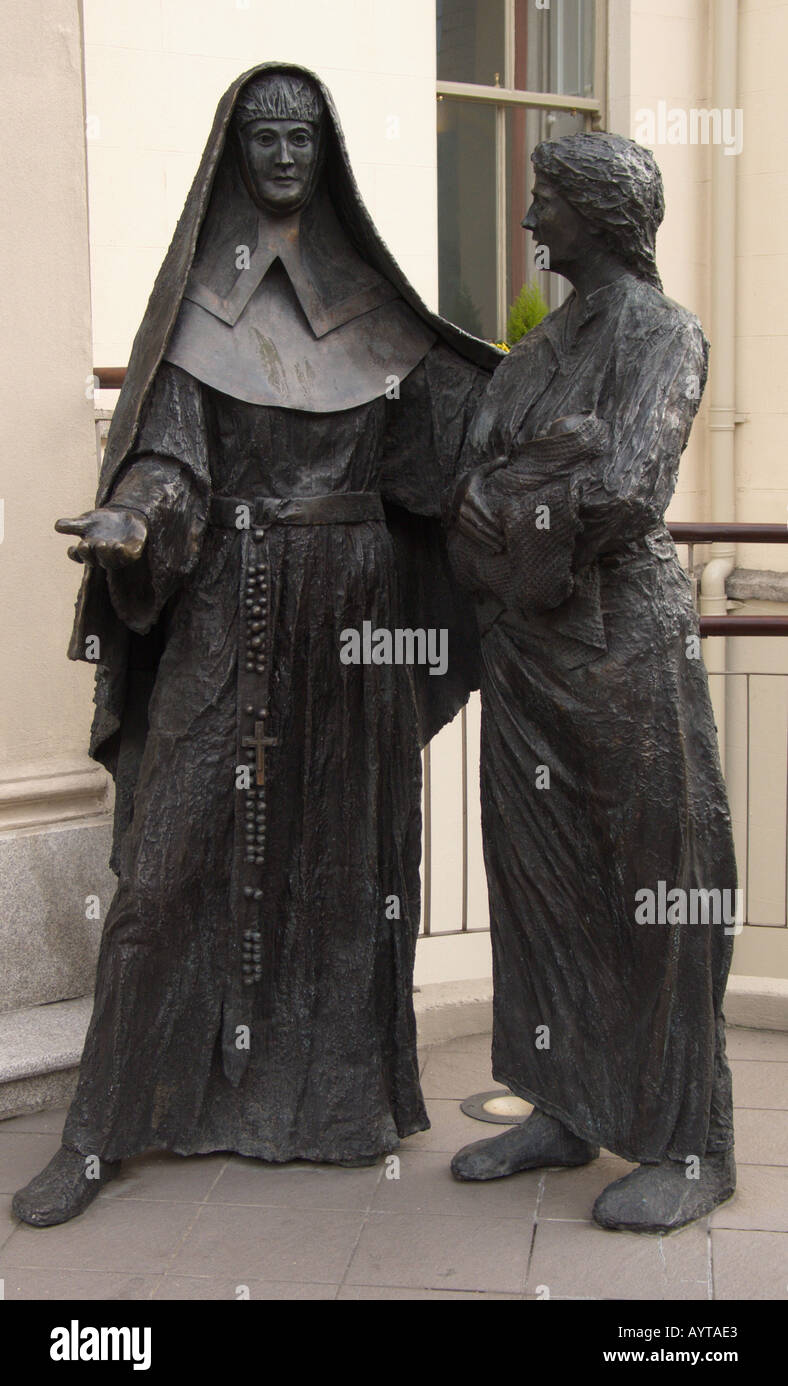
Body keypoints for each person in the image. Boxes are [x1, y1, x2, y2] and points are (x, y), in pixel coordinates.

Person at [13, 63, 498, 1227]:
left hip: (355, 618)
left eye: (301, 134)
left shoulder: (378, 315)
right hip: (231, 600)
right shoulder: (198, 309)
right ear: (235, 150)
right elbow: (169, 459)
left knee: (345, 866)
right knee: (167, 859)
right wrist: (135, 521)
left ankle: (333, 1106)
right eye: (263, 134)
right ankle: (101, 1127)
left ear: (327, 153)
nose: (282, 151)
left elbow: (454, 454)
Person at [447, 133, 737, 1234]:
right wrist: (534, 476)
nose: (528, 224)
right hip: (524, 649)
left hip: (619, 644)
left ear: (602, 215)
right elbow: (463, 489)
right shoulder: (525, 362)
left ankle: (687, 1142)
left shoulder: (663, 335)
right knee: (536, 880)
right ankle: (558, 1105)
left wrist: (522, 494)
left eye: (546, 204)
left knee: (657, 886)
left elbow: (624, 488)